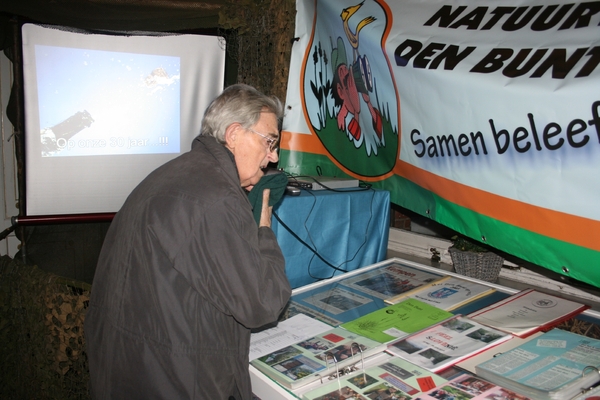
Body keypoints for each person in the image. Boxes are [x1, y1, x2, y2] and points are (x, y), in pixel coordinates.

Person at [84, 84, 292, 399]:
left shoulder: (175, 173)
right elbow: (261, 304)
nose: (273, 155)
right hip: (173, 378)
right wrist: (263, 225)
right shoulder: (216, 196)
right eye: (269, 141)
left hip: (128, 367)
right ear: (234, 135)